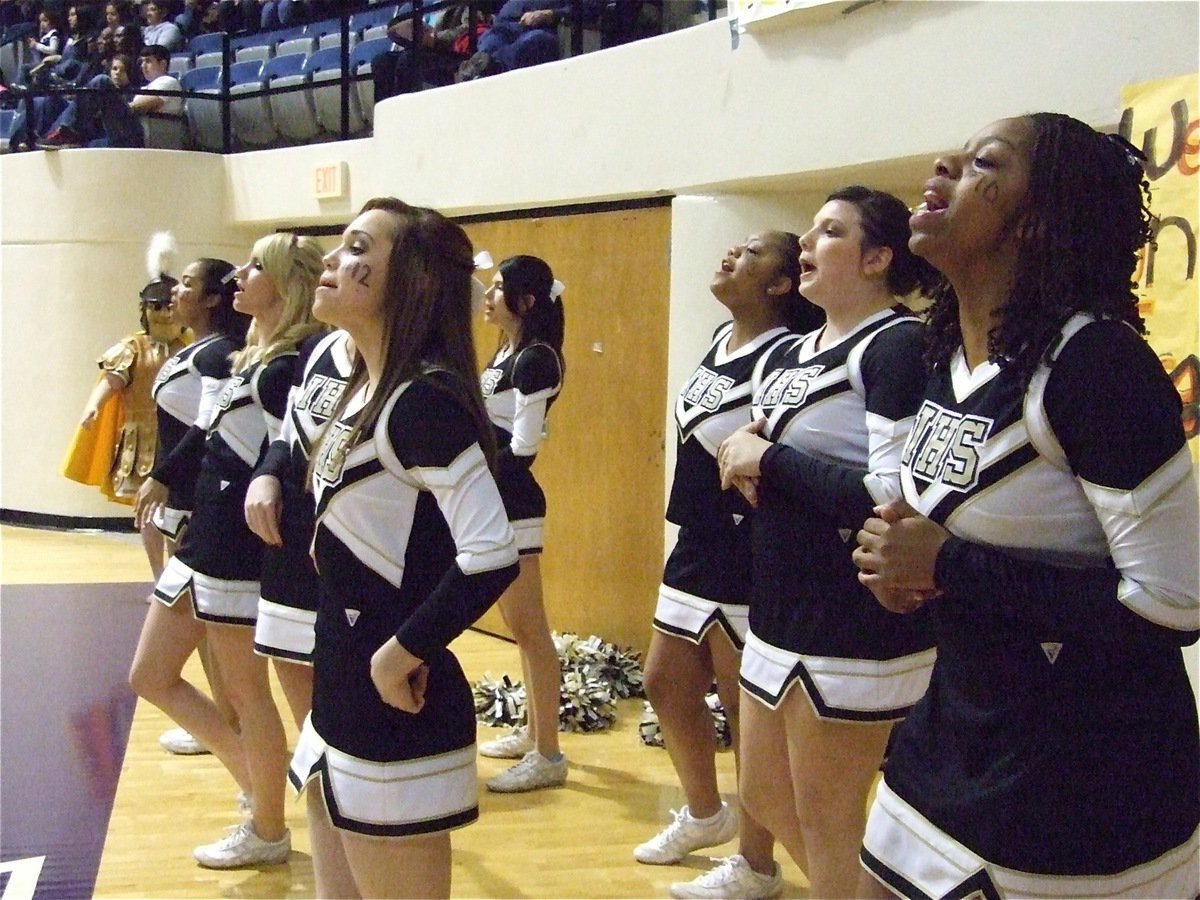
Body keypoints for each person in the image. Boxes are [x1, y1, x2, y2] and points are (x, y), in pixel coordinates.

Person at [851, 114, 1200, 899]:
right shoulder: (948, 352)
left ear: (1037, 220)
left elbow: (1175, 608)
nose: (943, 163)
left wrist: (948, 563)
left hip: (1080, 784)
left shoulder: (1096, 366)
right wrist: (908, 570)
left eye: (983, 164)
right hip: (953, 731)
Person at [289, 198, 518, 898]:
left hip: (395, 703)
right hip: (339, 675)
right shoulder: (359, 388)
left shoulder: (423, 402)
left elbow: (491, 553)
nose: (331, 260)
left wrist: (400, 654)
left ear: (411, 280)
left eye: (358, 248)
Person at [716, 186, 939, 898]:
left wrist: (770, 462)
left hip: (847, 615)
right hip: (777, 601)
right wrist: (751, 446)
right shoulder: (795, 349)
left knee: (826, 818)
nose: (807, 242)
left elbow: (898, 494)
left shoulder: (897, 345)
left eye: (831, 232)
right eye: (810, 230)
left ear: (877, 258)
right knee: (762, 792)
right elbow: (779, 440)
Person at [128, 232, 325, 869]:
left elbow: (290, 454)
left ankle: (268, 827)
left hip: (239, 550)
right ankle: (256, 783)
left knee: (247, 695)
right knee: (150, 676)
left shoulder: (289, 365)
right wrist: (163, 476)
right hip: (202, 538)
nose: (239, 275)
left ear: (284, 285)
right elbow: (212, 435)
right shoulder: (252, 354)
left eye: (254, 268)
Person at [635, 232, 822, 900]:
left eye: (748, 253)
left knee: (747, 711)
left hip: (748, 546)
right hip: (698, 539)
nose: (729, 256)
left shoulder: (787, 355)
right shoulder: (722, 337)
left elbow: (779, 438)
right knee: (663, 681)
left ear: (779, 284)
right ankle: (706, 813)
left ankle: (757, 864)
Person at [134, 256, 252, 756]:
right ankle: (223, 723)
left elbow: (209, 430)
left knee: (207, 627)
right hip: (184, 498)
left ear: (210, 298)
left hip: (198, 502)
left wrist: (163, 476)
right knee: (199, 628)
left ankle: (231, 725)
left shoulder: (219, 353)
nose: (174, 293)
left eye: (185, 284)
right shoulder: (199, 349)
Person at [473, 254, 567, 794]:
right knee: (520, 627)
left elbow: (523, 449)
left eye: (500, 288)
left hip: (513, 500)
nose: (488, 296)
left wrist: (476, 479)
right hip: (495, 496)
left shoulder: (536, 359)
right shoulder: (505, 353)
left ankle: (548, 753)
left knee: (531, 629)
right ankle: (534, 729)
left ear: (526, 302)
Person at [64, 232, 186, 582]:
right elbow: (111, 379)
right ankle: (159, 574)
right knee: (147, 511)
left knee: (179, 512)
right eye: (156, 306)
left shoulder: (190, 347)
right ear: (145, 310)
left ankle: (177, 575)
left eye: (169, 306)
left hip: (180, 439)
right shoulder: (132, 347)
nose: (163, 312)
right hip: (143, 441)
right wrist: (93, 407)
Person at [242, 323, 342, 730]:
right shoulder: (318, 348)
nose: (332, 262)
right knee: (310, 731)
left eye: (354, 252)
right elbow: (287, 435)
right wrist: (266, 473)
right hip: (290, 536)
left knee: (349, 721)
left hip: (350, 556)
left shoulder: (415, 365)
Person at [37, 42, 179, 148]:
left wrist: (107, 105)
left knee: (102, 81)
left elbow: (138, 107)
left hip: (141, 134)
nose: (143, 66)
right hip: (125, 130)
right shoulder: (146, 86)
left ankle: (65, 132)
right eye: (142, 62)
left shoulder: (168, 82)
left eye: (148, 61)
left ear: (163, 64)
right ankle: (54, 136)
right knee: (53, 100)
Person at [456, 0, 601, 81]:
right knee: (490, 39)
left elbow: (590, 9)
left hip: (544, 26)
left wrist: (550, 14)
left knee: (535, 41)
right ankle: (481, 66)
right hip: (506, 24)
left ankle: (490, 67)